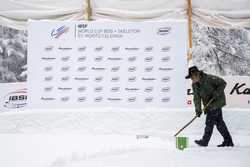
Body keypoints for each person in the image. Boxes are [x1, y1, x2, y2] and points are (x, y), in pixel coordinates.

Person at [185, 66, 234, 147]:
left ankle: (205, 141)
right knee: (219, 123)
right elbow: (196, 98)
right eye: (190, 78)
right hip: (208, 105)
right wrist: (198, 110)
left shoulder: (209, 78)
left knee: (209, 122)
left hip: (216, 102)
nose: (191, 79)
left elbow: (223, 83)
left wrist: (216, 93)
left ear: (196, 74)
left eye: (192, 77)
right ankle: (228, 141)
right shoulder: (194, 85)